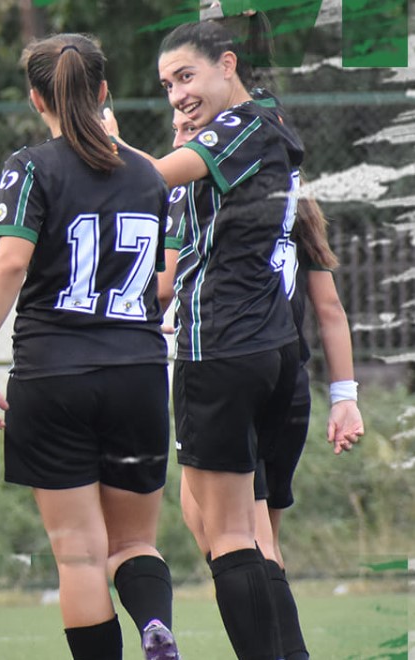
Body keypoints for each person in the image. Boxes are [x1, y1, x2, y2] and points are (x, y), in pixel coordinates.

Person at [0, 34, 180, 660]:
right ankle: (155, 625)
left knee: (80, 556)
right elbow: (160, 279)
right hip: (138, 373)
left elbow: (8, 264)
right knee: (134, 544)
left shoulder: (31, 166)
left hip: (55, 375)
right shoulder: (147, 172)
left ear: (36, 98)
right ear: (104, 91)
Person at [106, 15, 307, 659]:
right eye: (167, 85)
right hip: (268, 343)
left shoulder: (243, 125)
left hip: (221, 343)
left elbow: (151, 177)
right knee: (231, 526)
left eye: (185, 77)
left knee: (229, 538)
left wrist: (101, 139)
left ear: (227, 64)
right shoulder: (268, 117)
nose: (177, 96)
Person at [168, 112, 364, 660]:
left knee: (227, 534)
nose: (181, 139)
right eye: (178, 128)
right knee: (256, 537)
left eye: (191, 131)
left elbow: (165, 284)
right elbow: (330, 310)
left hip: (233, 365)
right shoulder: (290, 210)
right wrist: (345, 397)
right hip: (287, 379)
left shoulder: (212, 210)